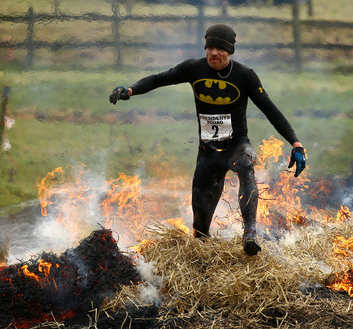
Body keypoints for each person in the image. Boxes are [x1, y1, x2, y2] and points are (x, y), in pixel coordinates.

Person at [109, 24, 306, 255]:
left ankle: (250, 234)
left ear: (230, 51)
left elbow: (270, 109)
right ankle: (203, 255)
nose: (213, 54)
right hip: (208, 152)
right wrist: (130, 91)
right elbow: (158, 79)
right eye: (210, 48)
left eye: (219, 49)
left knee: (247, 164)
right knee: (200, 229)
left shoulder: (245, 76)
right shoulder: (194, 68)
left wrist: (295, 143)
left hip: (236, 145)